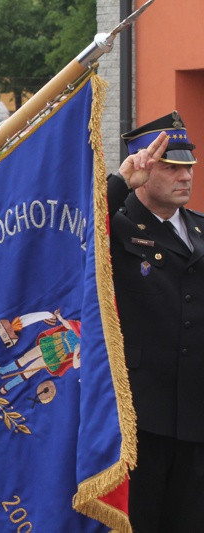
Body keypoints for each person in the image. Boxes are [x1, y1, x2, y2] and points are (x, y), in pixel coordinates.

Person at [107, 111, 202, 532]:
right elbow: (72, 238)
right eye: (171, 167)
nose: (185, 177)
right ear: (143, 167)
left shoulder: (200, 230)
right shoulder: (115, 225)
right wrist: (118, 183)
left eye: (189, 167)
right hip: (141, 419)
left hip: (196, 415)